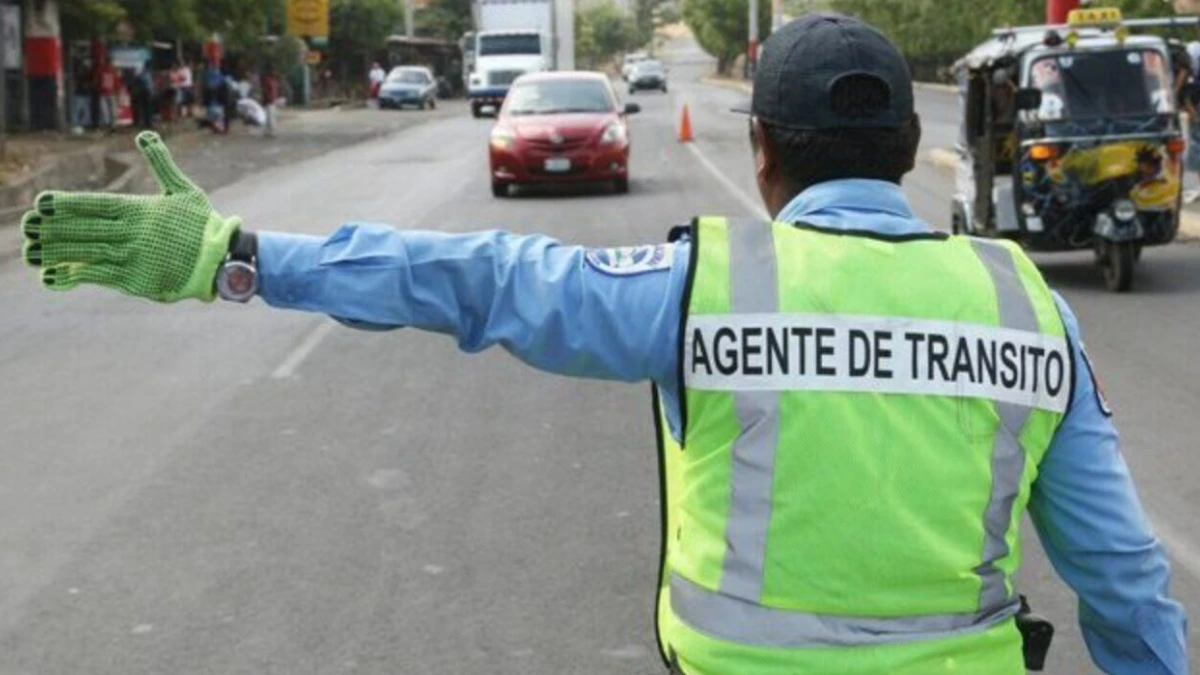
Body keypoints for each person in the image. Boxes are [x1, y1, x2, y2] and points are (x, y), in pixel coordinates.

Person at [16, 13, 1187, 675]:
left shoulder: (707, 290)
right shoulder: (1028, 304)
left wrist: (241, 255)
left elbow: (472, 278)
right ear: (900, 154)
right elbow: (1124, 581)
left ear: (765, 154)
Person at [260, 65, 282, 138]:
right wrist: (269, 98)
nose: (274, 72)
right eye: (273, 71)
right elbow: (265, 90)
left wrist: (277, 98)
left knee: (271, 116)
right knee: (269, 117)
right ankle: (270, 131)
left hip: (273, 100)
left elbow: (277, 90)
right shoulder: (267, 80)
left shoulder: (274, 80)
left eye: (275, 71)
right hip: (268, 100)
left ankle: (269, 131)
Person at [97, 57, 118, 129]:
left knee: (106, 109)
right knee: (108, 109)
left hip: (106, 92)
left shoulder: (103, 70)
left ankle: (109, 123)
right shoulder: (112, 70)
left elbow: (97, 81)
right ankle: (110, 124)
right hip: (108, 92)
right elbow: (116, 81)